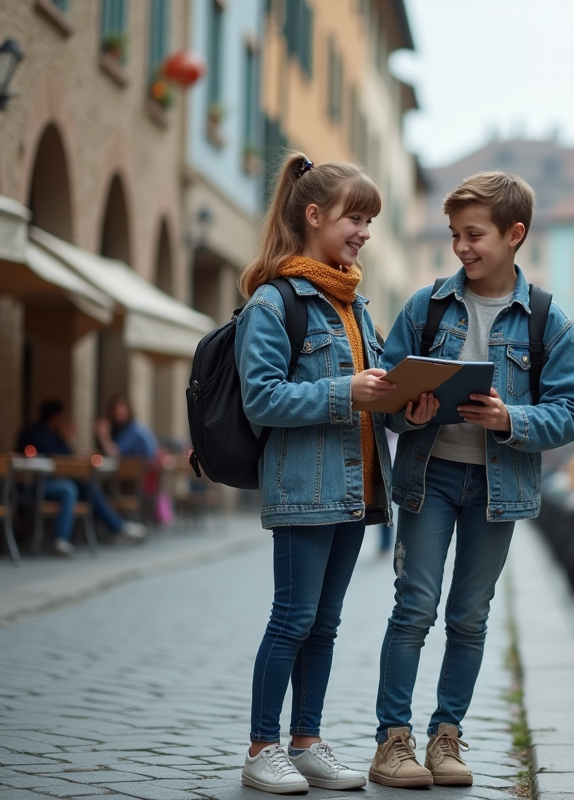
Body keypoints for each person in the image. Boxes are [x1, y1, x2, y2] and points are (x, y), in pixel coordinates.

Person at [371, 171, 574, 788]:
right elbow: (385, 393)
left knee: (469, 615)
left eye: (475, 235)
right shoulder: (427, 306)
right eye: (454, 235)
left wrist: (509, 418)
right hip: (430, 476)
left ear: (514, 235)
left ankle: (447, 737)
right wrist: (402, 408)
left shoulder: (549, 321)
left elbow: (572, 412)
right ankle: (392, 741)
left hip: (496, 490)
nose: (462, 247)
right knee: (414, 607)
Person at [234, 151, 396, 795]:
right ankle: (260, 747)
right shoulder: (276, 302)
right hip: (305, 486)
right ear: (314, 215)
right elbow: (262, 398)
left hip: (357, 488)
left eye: (369, 221)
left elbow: (372, 383)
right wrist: (345, 392)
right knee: (292, 618)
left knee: (325, 623)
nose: (363, 232)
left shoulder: (353, 305)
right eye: (355, 218)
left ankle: (306, 741)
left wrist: (404, 394)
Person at [15, 400, 148, 556]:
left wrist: (66, 440)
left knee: (85, 486)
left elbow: (65, 459)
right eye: (62, 417)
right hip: (30, 485)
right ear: (55, 417)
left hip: (49, 482)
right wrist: (67, 440)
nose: (64, 421)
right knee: (68, 489)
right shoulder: (38, 434)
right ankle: (61, 539)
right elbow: (61, 460)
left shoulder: (52, 434)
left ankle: (117, 527)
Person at [95, 394, 158, 460]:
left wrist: (104, 435)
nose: (119, 413)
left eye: (122, 409)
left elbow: (115, 454)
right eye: (116, 410)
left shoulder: (134, 430)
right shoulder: (122, 428)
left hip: (144, 468)